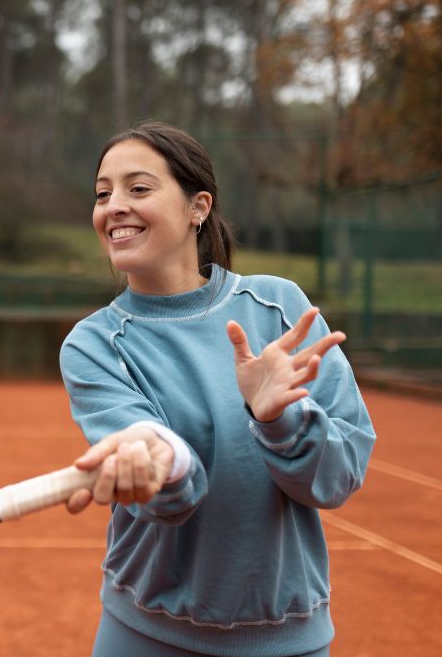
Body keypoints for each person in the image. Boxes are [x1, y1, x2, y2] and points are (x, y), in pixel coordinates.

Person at [60, 121, 375, 656]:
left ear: (198, 207)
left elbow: (338, 477)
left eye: (138, 188)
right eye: (102, 193)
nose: (113, 206)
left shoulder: (281, 308)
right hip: (144, 634)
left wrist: (280, 420)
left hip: (288, 637)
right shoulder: (94, 344)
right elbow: (168, 489)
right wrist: (156, 458)